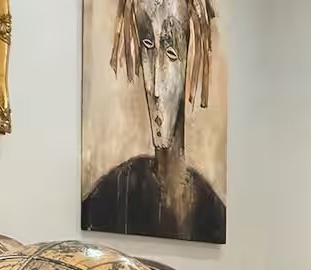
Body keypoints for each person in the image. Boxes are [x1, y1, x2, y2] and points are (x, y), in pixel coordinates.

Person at [82, 0, 226, 243]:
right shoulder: (108, 197)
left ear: (190, 59)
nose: (155, 85)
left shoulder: (212, 214)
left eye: (171, 53)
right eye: (148, 46)